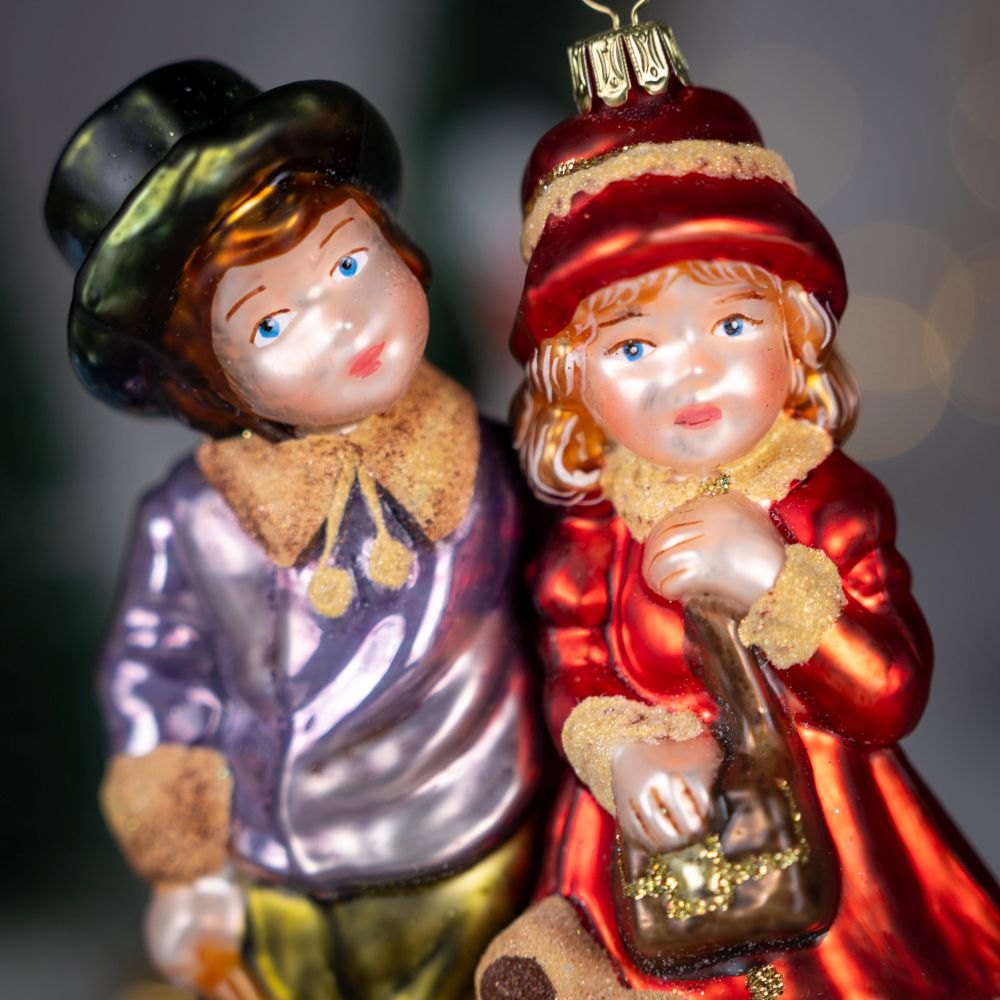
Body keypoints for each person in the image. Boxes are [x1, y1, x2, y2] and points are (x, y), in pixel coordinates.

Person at [477, 15, 1000, 1000]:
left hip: (827, 838)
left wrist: (770, 577)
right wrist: (622, 756)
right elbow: (572, 669)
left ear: (796, 335)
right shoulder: (592, 535)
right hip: (658, 852)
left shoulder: (829, 504)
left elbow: (889, 690)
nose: (692, 374)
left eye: (730, 324)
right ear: (571, 381)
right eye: (635, 347)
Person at [45, 61, 542, 1000]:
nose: (341, 323)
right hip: (282, 880)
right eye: (272, 324)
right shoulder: (198, 524)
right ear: (209, 380)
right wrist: (186, 871)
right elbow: (157, 685)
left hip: (484, 856)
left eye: (350, 264)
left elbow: (577, 595)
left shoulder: (497, 463)